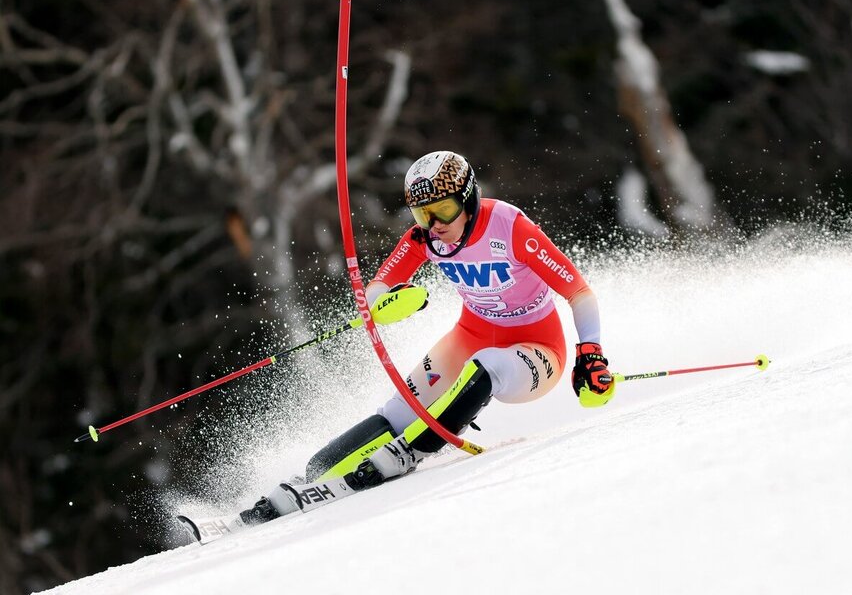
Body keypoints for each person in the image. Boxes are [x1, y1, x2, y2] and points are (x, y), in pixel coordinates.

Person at [240, 151, 613, 524]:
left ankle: (412, 451)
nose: (434, 224)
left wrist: (591, 352)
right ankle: (312, 478)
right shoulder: (425, 238)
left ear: (468, 199)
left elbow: (580, 293)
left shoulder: (510, 227)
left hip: (539, 349)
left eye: (444, 210)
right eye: (422, 214)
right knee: (400, 411)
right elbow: (378, 286)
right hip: (471, 333)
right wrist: (377, 305)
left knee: (487, 366)